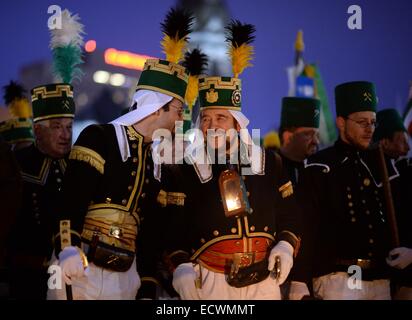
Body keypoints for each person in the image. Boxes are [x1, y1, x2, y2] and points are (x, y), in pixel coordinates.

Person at [48, 7, 193, 300]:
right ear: (157, 107)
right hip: (80, 266)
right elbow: (71, 199)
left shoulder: (157, 162)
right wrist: (67, 247)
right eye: (178, 111)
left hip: (126, 277)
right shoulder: (99, 137)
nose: (181, 119)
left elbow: (152, 231)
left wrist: (149, 280)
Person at [161, 20, 302, 300]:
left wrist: (286, 246)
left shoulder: (270, 163)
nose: (212, 125)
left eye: (221, 118)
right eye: (207, 119)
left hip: (264, 282)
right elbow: (169, 227)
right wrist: (180, 266)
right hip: (208, 281)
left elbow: (291, 216)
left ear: (238, 125)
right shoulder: (182, 170)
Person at [300, 81, 401, 300]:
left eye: (373, 122)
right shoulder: (320, 166)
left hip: (380, 277)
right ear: (341, 123)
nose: (369, 129)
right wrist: (300, 280)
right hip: (339, 279)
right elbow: (306, 228)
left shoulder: (383, 166)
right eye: (362, 122)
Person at [277, 96, 320, 299]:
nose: (316, 141)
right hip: (276, 276)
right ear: (288, 136)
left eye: (317, 135)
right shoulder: (270, 168)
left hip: (312, 276)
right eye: (308, 134)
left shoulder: (318, 171)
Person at [374, 108, 412, 299]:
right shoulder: (379, 175)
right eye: (401, 138)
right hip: (391, 276)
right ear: (384, 141)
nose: (407, 145)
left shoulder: (406, 172)